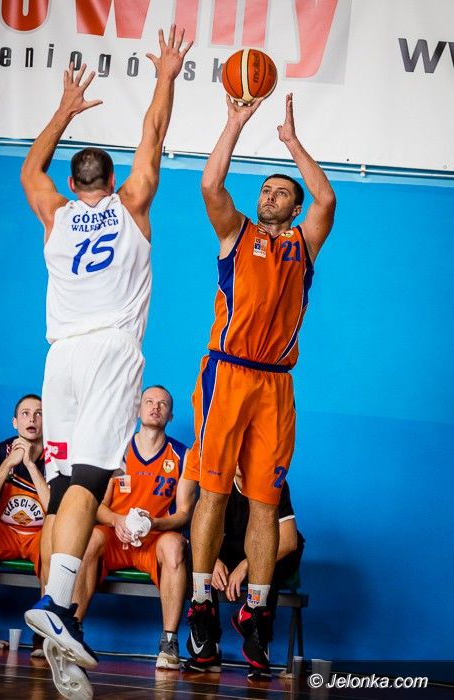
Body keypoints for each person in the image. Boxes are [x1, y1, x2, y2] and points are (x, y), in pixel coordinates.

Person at [20, 25, 192, 700]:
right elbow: (153, 134)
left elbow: (29, 172)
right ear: (113, 180)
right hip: (109, 351)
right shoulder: (132, 205)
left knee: (66, 487)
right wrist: (166, 76)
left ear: (72, 182)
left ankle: (58, 616)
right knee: (91, 479)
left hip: (58, 357)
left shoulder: (55, 214)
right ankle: (56, 607)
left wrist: (63, 110)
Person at [184, 92, 335, 678]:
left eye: (280, 192)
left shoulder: (304, 246)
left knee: (266, 503)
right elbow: (210, 185)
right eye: (266, 189)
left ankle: (256, 611)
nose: (269, 195)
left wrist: (291, 144)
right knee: (214, 493)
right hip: (226, 373)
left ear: (294, 207)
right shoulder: (235, 233)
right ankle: (201, 602)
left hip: (275, 383)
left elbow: (327, 198)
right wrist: (234, 123)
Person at [70, 385, 195, 670]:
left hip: (155, 537)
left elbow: (184, 513)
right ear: (138, 409)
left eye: (163, 404)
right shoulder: (118, 449)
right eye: (149, 401)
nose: (155, 407)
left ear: (171, 415)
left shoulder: (183, 455)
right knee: (89, 539)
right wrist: (116, 520)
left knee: (175, 546)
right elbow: (97, 506)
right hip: (116, 534)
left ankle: (169, 642)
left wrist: (155, 523)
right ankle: (73, 630)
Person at [0, 394, 48, 657]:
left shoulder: (56, 457)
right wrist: (8, 464)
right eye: (25, 413)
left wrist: (31, 466)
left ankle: (43, 636)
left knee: (57, 542)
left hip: (41, 534)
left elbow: (55, 509)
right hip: (5, 532)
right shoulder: (0, 451)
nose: (32, 419)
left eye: (39, 413)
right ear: (15, 422)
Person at [212, 468, 304, 639]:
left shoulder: (273, 481)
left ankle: (257, 634)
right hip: (235, 549)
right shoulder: (216, 481)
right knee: (198, 559)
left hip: (268, 554)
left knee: (273, 559)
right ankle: (207, 641)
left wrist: (247, 565)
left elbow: (289, 542)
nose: (240, 460)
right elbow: (200, 535)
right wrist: (211, 560)